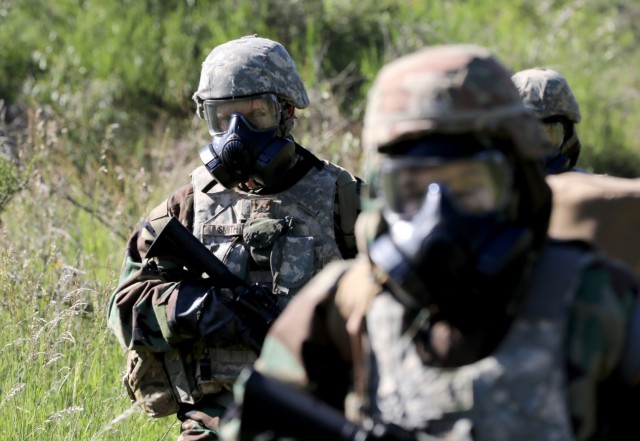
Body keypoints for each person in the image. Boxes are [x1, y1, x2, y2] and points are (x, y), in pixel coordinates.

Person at [222, 44, 640, 441]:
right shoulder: (347, 305)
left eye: (470, 187)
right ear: (381, 196)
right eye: (413, 190)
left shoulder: (597, 302)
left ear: (519, 188)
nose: (439, 219)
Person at [107, 35, 362, 441]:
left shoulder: (344, 200)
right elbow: (124, 309)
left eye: (255, 114)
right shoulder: (185, 206)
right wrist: (204, 309)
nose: (237, 135)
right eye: (222, 117)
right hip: (212, 424)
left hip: (322, 419)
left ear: (287, 111)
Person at [512, 67, 585, 174]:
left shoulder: (594, 188)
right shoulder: (489, 187)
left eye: (547, 136)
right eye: (524, 135)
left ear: (569, 136)